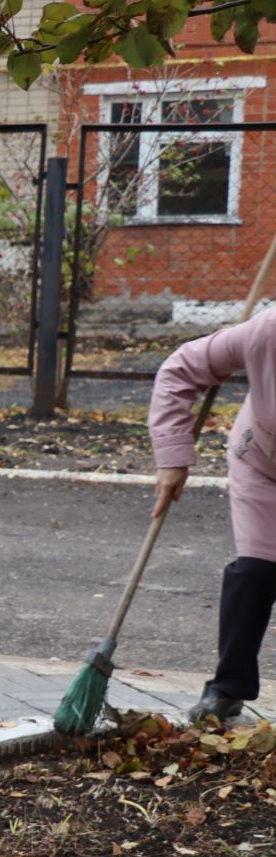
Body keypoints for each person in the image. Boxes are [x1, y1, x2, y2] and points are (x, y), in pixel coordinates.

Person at [150, 308, 276, 722]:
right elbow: (179, 370)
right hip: (261, 461)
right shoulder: (267, 331)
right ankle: (226, 688)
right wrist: (172, 456)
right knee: (257, 571)